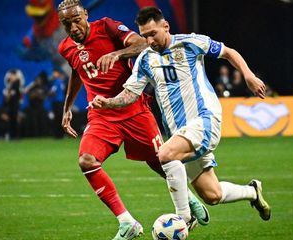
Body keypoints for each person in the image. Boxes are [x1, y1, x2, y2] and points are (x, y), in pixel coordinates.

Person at [90, 6, 271, 227]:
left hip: (205, 119)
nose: (149, 41)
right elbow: (130, 94)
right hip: (180, 132)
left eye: (152, 34)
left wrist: (248, 75)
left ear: (165, 26)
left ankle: (183, 218)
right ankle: (252, 192)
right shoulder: (146, 59)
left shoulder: (190, 43)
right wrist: (108, 103)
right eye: (144, 36)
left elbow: (228, 52)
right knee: (212, 195)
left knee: (164, 154)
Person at [57, 1, 208, 239]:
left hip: (133, 108)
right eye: (67, 23)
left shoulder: (106, 27)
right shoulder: (65, 47)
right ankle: (127, 223)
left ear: (86, 15)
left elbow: (141, 44)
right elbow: (78, 70)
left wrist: (116, 54)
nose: (73, 27)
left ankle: (189, 199)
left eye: (77, 20)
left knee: (160, 160)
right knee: (87, 161)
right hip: (101, 115)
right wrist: (67, 107)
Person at [48, 69, 66, 138]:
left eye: (55, 73)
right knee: (60, 118)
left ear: (57, 73)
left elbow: (52, 91)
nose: (53, 74)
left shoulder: (57, 81)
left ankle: (57, 134)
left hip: (57, 102)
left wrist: (48, 94)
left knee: (57, 118)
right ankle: (61, 134)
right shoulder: (61, 82)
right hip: (61, 102)